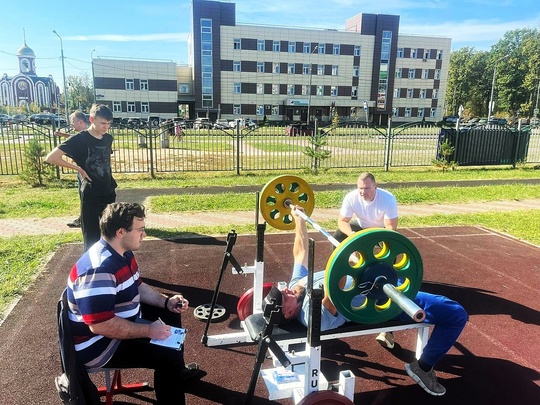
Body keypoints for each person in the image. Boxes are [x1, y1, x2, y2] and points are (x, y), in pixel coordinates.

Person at [265, 205, 468, 396]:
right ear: (289, 312)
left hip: (375, 278)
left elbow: (300, 252)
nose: (286, 290)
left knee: (401, 268)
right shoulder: (311, 314)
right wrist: (350, 256)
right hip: (382, 299)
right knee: (455, 314)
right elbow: (336, 291)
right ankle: (422, 367)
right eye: (283, 297)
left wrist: (298, 220)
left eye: (282, 290)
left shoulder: (296, 288)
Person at [66, 202, 200, 404]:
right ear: (121, 232)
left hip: (115, 324)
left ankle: (175, 373)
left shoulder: (123, 252)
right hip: (100, 346)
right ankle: (173, 373)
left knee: (170, 312)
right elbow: (100, 325)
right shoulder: (99, 270)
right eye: (140, 230)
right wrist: (149, 331)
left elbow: (138, 286)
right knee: (168, 356)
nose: (144, 234)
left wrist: (166, 302)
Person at [333, 172, 398, 349]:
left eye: (367, 188)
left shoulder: (387, 199)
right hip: (360, 230)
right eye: (360, 188)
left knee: (392, 254)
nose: (363, 192)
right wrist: (353, 237)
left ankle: (388, 323)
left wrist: (372, 244)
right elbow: (342, 222)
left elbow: (391, 228)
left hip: (381, 232)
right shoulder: (351, 197)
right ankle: (340, 281)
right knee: (338, 237)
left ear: (375, 186)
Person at [46, 104, 117, 251]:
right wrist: (78, 169)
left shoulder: (108, 138)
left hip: (108, 190)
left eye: (109, 123)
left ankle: (109, 263)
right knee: (91, 234)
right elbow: (51, 157)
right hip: (91, 193)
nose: (106, 127)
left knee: (110, 231)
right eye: (103, 123)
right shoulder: (80, 139)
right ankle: (92, 267)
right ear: (92, 119)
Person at [54, 110, 90, 228]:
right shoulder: (84, 134)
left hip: (87, 171)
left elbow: (79, 139)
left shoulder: (88, 134)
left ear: (80, 122)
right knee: (83, 196)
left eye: (72, 121)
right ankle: (83, 218)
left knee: (87, 197)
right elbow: (77, 138)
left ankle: (86, 219)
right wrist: (64, 135)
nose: (71, 124)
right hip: (82, 170)